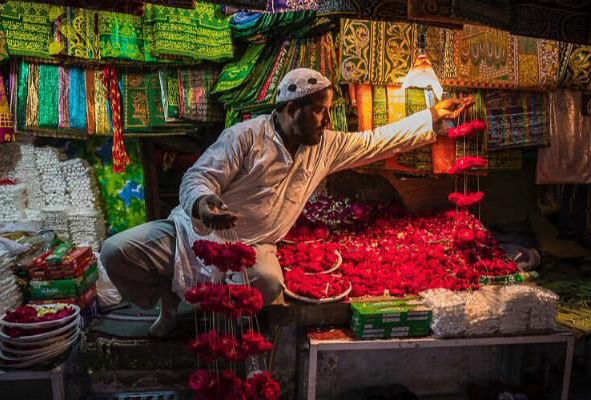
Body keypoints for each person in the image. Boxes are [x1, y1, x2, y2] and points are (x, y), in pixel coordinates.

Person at [101, 68, 474, 337]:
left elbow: (376, 141)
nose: (327, 120)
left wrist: (431, 118)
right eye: (320, 110)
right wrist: (203, 205)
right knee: (116, 251)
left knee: (266, 284)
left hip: (253, 246)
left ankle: (226, 325)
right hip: (193, 233)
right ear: (292, 108)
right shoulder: (245, 137)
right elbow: (198, 177)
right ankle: (167, 300)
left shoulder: (325, 146)